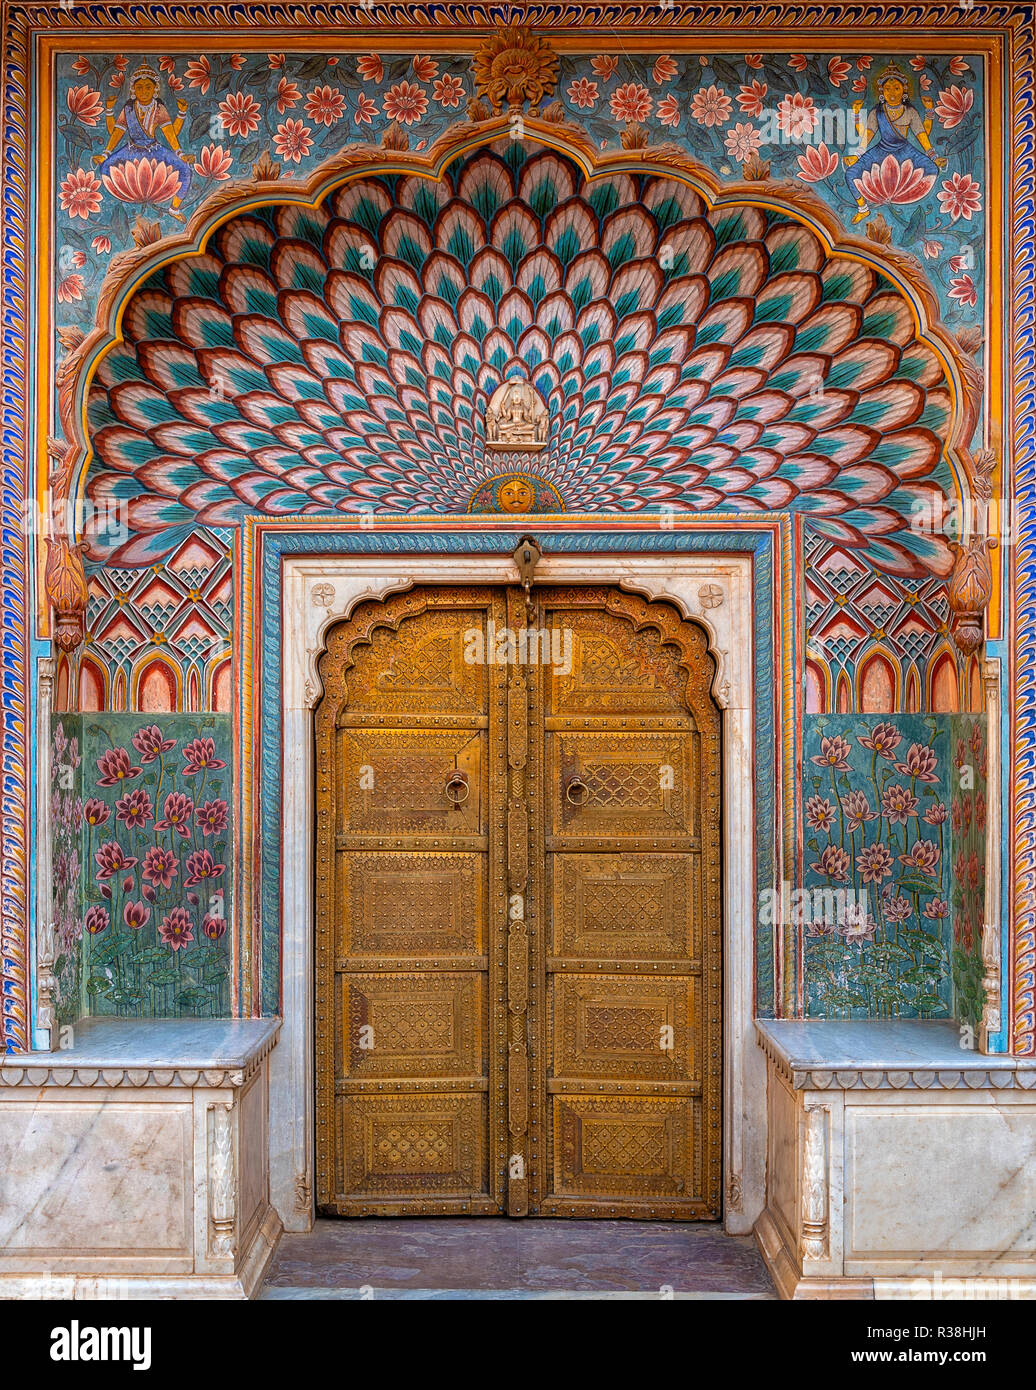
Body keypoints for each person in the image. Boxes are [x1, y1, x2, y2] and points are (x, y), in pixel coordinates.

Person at [843, 62, 947, 223]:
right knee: (850, 173)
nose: (892, 92)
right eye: (888, 89)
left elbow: (921, 134)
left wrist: (934, 157)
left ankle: (906, 195)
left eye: (896, 88)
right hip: (881, 149)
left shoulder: (910, 112)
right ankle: (862, 208)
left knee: (933, 168)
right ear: (882, 92)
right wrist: (856, 155)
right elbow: (867, 135)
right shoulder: (877, 112)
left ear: (903, 91)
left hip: (905, 150)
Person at [93, 63, 193, 222]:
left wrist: (181, 154)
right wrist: (105, 153)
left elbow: (170, 133)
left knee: (185, 171)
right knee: (105, 168)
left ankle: (174, 208)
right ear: (133, 90)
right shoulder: (128, 109)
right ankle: (123, 199)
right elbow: (117, 132)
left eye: (148, 87)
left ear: (155, 89)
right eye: (139, 87)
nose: (144, 91)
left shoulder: (158, 108)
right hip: (131, 149)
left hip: (154, 149)